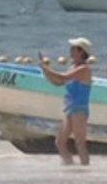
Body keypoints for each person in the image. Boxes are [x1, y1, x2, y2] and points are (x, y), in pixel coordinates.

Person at [39, 37, 94, 165]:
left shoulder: (84, 69)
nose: (70, 50)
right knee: (60, 142)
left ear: (81, 51)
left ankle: (86, 170)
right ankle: (70, 166)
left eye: (73, 48)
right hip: (70, 108)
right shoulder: (73, 67)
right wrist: (45, 70)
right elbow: (58, 82)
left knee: (80, 143)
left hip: (79, 108)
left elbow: (62, 77)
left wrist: (47, 68)